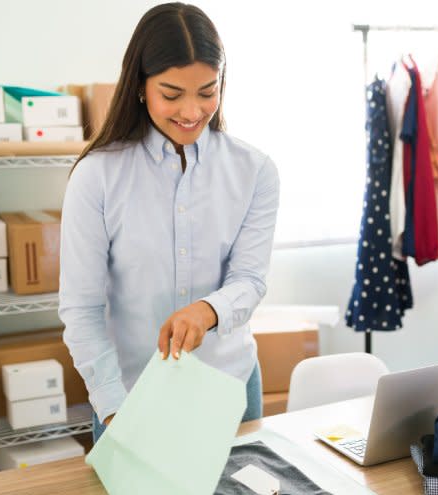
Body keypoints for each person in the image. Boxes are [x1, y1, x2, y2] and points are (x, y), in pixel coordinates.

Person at [59, 2, 280, 443]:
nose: (193, 111)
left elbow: (250, 279)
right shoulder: (97, 176)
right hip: (130, 396)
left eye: (207, 91)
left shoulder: (254, 170)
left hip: (229, 388)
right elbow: (80, 310)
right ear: (140, 86)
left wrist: (208, 310)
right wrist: (115, 412)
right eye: (172, 93)